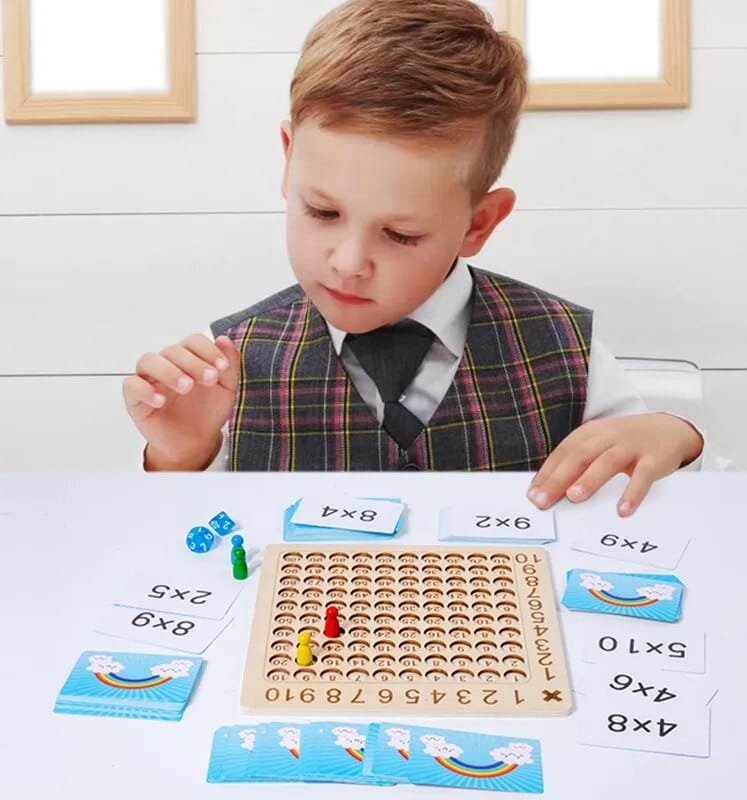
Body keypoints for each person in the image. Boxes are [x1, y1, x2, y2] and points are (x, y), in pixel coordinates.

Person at [123, 0, 703, 517]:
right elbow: (180, 547)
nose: (349, 262)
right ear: (288, 159)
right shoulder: (226, 365)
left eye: (400, 235)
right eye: (323, 211)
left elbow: (656, 485)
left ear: (479, 223)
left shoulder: (565, 346)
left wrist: (676, 437)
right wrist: (180, 457)